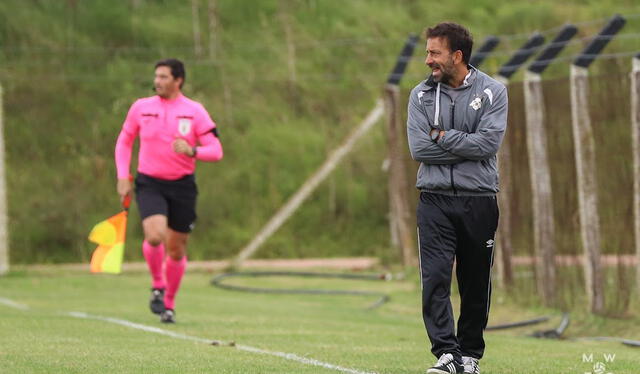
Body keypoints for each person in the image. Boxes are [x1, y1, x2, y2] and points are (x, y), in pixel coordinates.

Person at [406, 22, 508, 374]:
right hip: (433, 201)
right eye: (427, 52)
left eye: (434, 53)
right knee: (434, 277)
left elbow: (487, 145)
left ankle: (469, 356)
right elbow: (419, 148)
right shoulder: (419, 95)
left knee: (475, 281)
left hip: (478, 200)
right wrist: (461, 143)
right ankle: (446, 353)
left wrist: (441, 137)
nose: (427, 60)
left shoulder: (494, 92)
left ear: (457, 56)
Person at [115, 58, 223, 323]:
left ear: (178, 81)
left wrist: (193, 150)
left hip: (183, 186)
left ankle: (169, 304)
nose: (158, 82)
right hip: (149, 182)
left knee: (176, 249)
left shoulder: (194, 111)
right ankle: (157, 285)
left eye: (164, 77)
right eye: (157, 76)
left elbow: (216, 151)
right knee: (154, 236)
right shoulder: (141, 107)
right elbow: (124, 141)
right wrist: (122, 176)